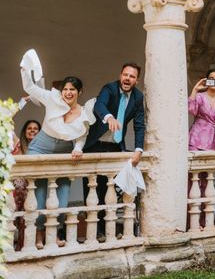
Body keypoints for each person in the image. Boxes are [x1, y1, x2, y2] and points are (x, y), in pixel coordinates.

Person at [21, 68, 94, 249]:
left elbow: (82, 136)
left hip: (64, 150)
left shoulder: (84, 112)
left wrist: (78, 148)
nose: (68, 93)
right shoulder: (52, 99)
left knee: (62, 192)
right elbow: (29, 86)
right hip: (41, 146)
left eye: (72, 89)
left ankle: (54, 233)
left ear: (79, 92)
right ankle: (38, 233)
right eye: (65, 89)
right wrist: (25, 68)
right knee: (39, 191)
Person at [83, 63, 145, 239]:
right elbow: (99, 105)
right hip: (95, 145)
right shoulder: (109, 88)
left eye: (132, 76)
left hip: (115, 147)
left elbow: (140, 125)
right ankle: (92, 232)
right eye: (125, 75)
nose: (127, 78)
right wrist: (108, 116)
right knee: (92, 191)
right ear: (120, 75)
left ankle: (105, 230)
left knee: (108, 190)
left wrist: (139, 150)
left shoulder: (138, 97)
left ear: (136, 80)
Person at [188, 68, 215, 228]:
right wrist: (195, 90)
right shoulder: (199, 97)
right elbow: (191, 110)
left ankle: (204, 223)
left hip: (211, 142)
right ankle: (189, 222)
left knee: (207, 183)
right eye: (210, 78)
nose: (213, 80)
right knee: (192, 182)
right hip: (195, 139)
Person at [11, 118, 41, 250]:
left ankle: (23, 247)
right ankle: (10, 247)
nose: (33, 130)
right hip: (17, 189)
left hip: (34, 189)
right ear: (24, 131)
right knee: (12, 218)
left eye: (36, 129)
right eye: (29, 128)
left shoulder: (42, 148)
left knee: (27, 220)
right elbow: (9, 130)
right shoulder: (18, 145)